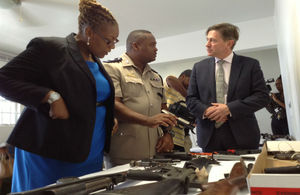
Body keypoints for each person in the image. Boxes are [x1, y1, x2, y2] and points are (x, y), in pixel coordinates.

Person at [0, 0, 119, 192]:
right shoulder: (50, 48)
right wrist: (50, 96)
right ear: (89, 33)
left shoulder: (96, 61)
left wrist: (108, 116)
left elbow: (91, 96)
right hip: (51, 149)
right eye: (109, 40)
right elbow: (3, 80)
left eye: (116, 41)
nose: (112, 46)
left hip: (89, 148)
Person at [186, 23, 269, 152]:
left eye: (212, 40)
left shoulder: (250, 65)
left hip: (243, 135)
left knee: (244, 172)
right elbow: (191, 99)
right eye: (207, 40)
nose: (207, 44)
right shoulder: (198, 67)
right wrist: (207, 111)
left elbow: (262, 97)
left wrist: (229, 109)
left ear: (229, 43)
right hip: (209, 136)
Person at [104, 30, 177, 166]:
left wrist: (168, 134)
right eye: (152, 45)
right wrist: (147, 120)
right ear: (135, 46)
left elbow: (163, 110)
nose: (156, 49)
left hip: (155, 152)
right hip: (125, 153)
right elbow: (114, 106)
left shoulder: (155, 76)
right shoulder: (112, 69)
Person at [164, 69, 193, 152]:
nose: (191, 84)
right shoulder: (171, 85)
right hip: (167, 137)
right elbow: (170, 79)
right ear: (183, 77)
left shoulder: (186, 97)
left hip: (180, 139)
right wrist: (188, 96)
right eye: (190, 80)